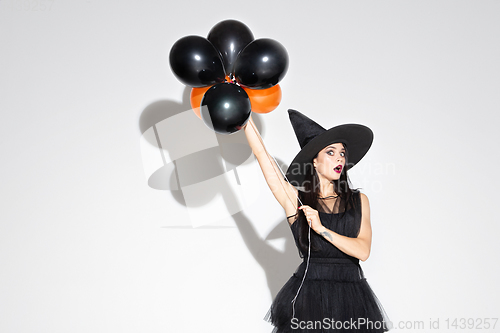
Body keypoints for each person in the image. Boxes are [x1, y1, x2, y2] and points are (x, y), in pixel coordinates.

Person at [243, 109, 390, 332]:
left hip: (352, 299)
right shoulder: (297, 201)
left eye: (342, 153)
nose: (339, 158)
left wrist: (321, 229)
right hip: (308, 298)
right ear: (314, 160)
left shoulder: (359, 201)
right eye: (331, 152)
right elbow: (262, 154)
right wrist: (243, 112)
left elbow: (363, 251)